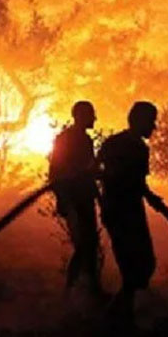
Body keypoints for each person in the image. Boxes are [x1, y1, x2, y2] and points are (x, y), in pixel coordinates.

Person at [97, 101, 158, 324]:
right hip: (124, 213)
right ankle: (115, 317)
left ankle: (122, 315)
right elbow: (101, 172)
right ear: (140, 121)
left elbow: (136, 182)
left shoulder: (115, 143)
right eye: (151, 122)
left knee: (139, 265)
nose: (154, 127)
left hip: (122, 211)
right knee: (138, 266)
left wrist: (151, 198)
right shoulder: (135, 148)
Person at [48, 100, 105, 299]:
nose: (94, 119)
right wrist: (65, 202)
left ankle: (91, 290)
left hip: (85, 199)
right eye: (91, 115)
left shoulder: (85, 140)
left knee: (90, 245)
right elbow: (55, 173)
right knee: (83, 245)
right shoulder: (65, 139)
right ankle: (71, 290)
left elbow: (89, 173)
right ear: (80, 116)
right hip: (74, 201)